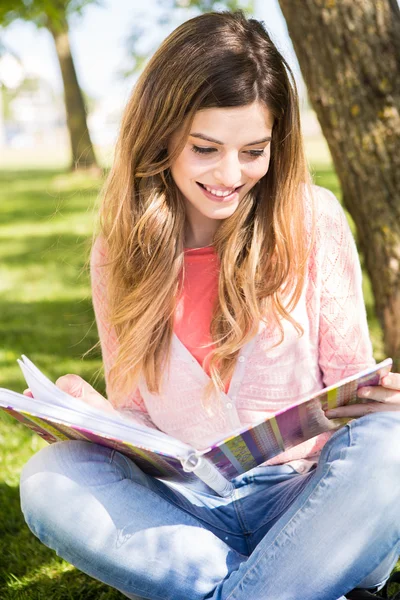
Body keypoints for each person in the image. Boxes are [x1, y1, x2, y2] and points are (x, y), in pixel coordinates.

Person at [19, 10, 400, 600]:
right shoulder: (120, 252)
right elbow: (143, 422)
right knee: (49, 479)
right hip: (190, 513)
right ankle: (287, 584)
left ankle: (260, 580)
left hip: (309, 501)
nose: (231, 174)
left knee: (390, 448)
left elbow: (349, 389)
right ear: (162, 134)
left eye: (254, 151)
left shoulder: (312, 218)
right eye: (205, 148)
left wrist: (379, 402)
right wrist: (91, 417)